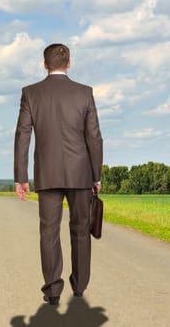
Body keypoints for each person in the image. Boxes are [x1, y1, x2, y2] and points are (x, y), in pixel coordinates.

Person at [14, 43, 103, 306]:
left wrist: (22, 176)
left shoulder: (31, 93)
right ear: (69, 63)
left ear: (44, 65)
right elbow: (94, 138)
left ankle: (53, 291)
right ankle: (79, 286)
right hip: (80, 173)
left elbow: (22, 134)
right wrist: (95, 175)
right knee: (80, 230)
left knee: (49, 231)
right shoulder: (85, 93)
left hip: (47, 172)